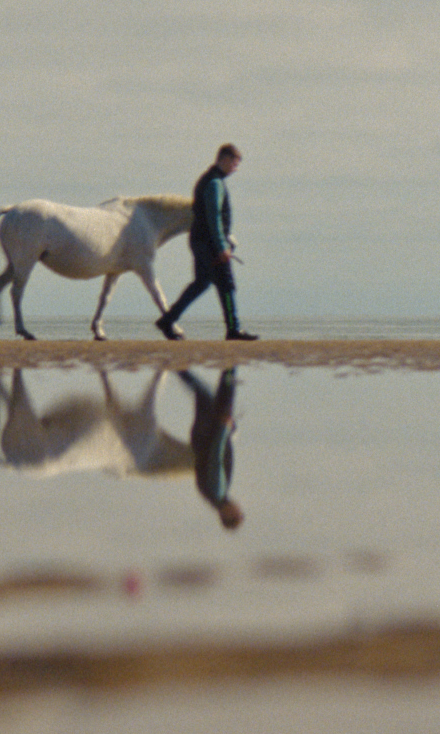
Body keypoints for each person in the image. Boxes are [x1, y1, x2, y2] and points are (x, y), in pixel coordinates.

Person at [157, 144, 257, 341]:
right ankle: (233, 329)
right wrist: (222, 246)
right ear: (225, 159)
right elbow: (214, 218)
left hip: (199, 240)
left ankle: (168, 320)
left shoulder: (208, 179)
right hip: (210, 244)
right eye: (235, 164)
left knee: (202, 283)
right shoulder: (214, 183)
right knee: (226, 284)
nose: (235, 169)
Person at [177, 368, 243, 530]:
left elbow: (216, 457)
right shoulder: (212, 497)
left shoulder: (217, 492)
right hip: (205, 434)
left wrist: (224, 429)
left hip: (210, 431)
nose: (239, 508)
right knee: (222, 392)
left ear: (227, 515)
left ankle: (176, 365)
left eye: (238, 513)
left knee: (206, 392)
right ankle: (231, 358)